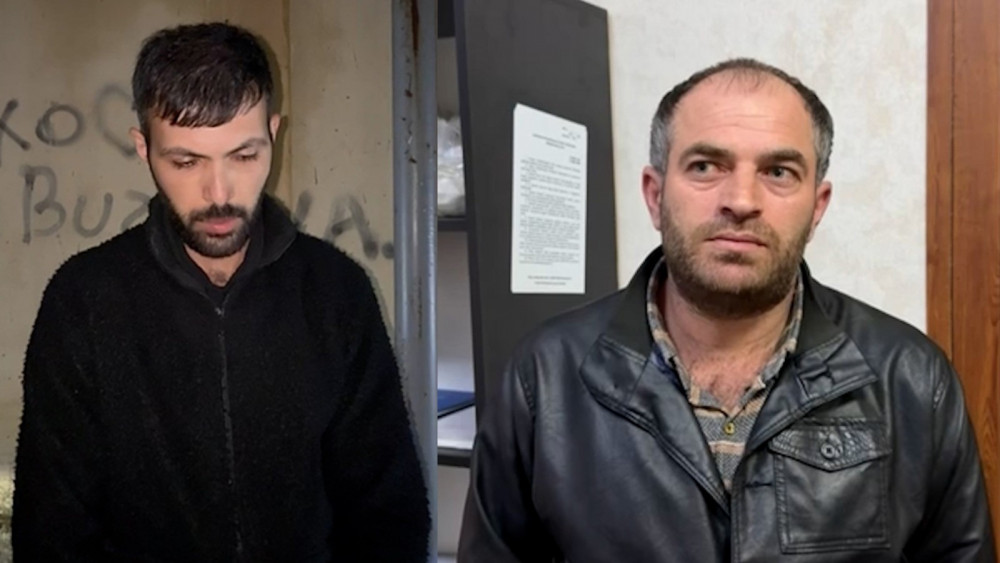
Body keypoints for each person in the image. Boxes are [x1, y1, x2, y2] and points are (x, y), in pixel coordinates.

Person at [458, 58, 995, 562]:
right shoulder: (545, 377)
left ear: (817, 207)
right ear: (655, 195)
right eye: (705, 166)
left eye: (779, 171)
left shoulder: (912, 380)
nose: (740, 200)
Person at [12, 22, 429, 562]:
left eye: (244, 155)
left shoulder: (336, 292)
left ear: (274, 134)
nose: (218, 193)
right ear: (143, 148)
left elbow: (388, 514)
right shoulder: (83, 302)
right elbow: (50, 532)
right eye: (186, 162)